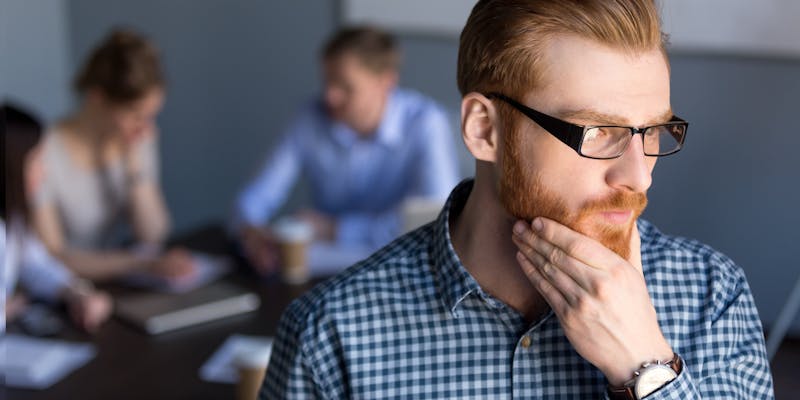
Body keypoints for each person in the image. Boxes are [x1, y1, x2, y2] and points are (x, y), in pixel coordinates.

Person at [261, 1, 774, 399]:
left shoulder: (713, 296)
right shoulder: (331, 334)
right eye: (598, 132)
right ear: (485, 129)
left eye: (654, 131)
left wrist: (646, 366)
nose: (639, 177)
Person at [234, 26, 460, 275]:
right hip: (325, 274)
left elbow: (434, 217)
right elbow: (255, 197)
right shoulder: (309, 118)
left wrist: (335, 229)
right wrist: (251, 232)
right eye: (327, 82)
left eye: (345, 87)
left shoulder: (426, 123)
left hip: (402, 272)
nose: (330, 96)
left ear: (386, 82)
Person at [30, 29, 196, 283]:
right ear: (97, 98)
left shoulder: (136, 139)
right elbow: (53, 257)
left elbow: (153, 234)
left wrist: (134, 164)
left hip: (116, 283)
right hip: (61, 290)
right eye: (136, 115)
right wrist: (140, 263)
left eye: (150, 116)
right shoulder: (43, 152)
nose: (145, 127)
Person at [2, 103, 112, 333]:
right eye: (35, 161)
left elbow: (35, 264)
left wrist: (75, 293)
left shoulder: (13, 219)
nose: (44, 171)